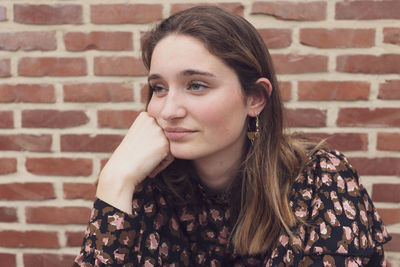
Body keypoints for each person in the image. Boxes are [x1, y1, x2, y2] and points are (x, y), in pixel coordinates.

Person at [74, 6, 391, 266]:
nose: (168, 110)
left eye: (196, 85)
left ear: (255, 98)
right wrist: (114, 181)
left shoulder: (320, 182)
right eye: (158, 88)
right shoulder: (146, 188)